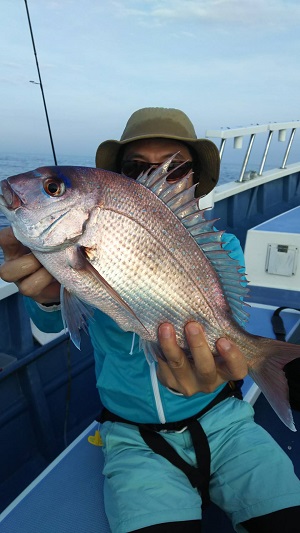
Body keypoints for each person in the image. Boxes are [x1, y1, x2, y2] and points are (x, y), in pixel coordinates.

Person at [0, 107, 300, 533]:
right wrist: (50, 297)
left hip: (225, 421)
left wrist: (227, 375)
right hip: (132, 439)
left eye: (175, 169)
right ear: (118, 178)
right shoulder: (65, 253)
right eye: (135, 168)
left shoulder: (224, 246)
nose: (155, 178)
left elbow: (223, 336)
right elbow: (48, 330)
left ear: (194, 179)